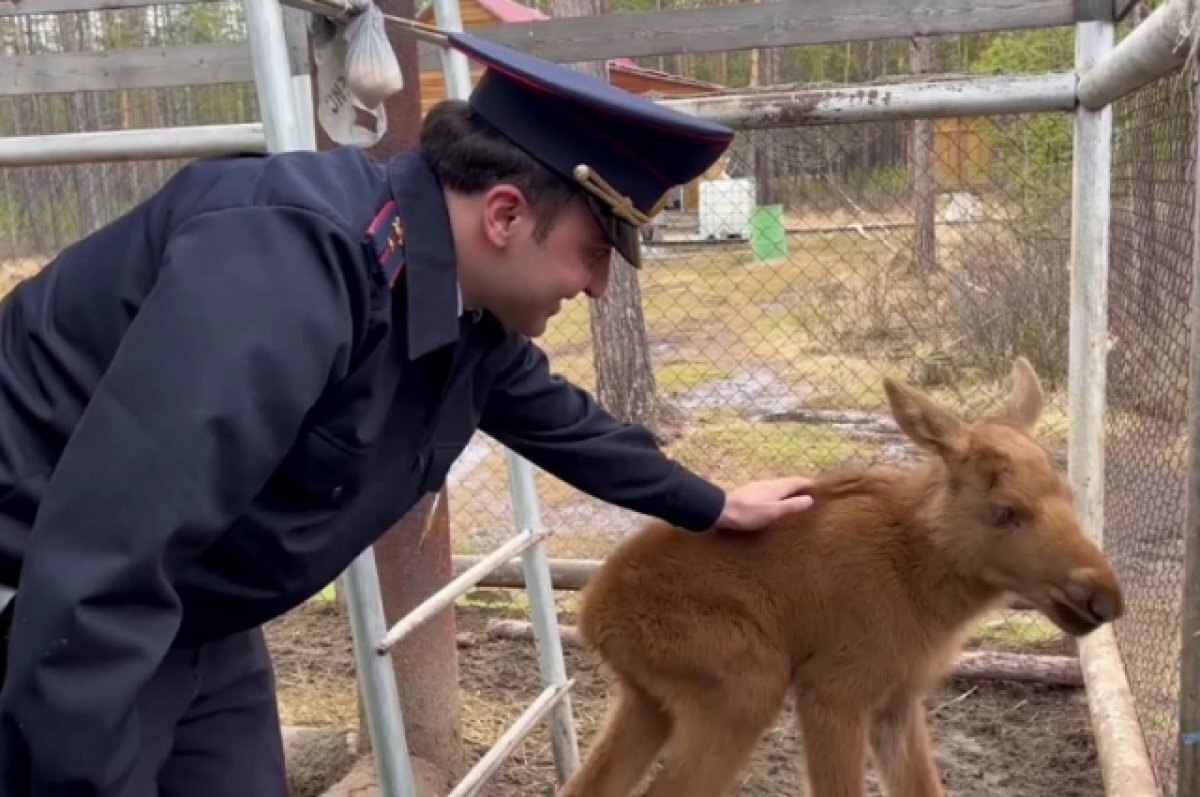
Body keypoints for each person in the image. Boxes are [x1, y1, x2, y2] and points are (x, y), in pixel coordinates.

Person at [0, 27, 815, 797]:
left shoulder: (453, 304)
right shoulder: (285, 272)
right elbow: (98, 566)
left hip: (191, 607)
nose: (600, 285)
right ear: (502, 214)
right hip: (57, 606)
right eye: (596, 251)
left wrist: (711, 503)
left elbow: (561, 421)